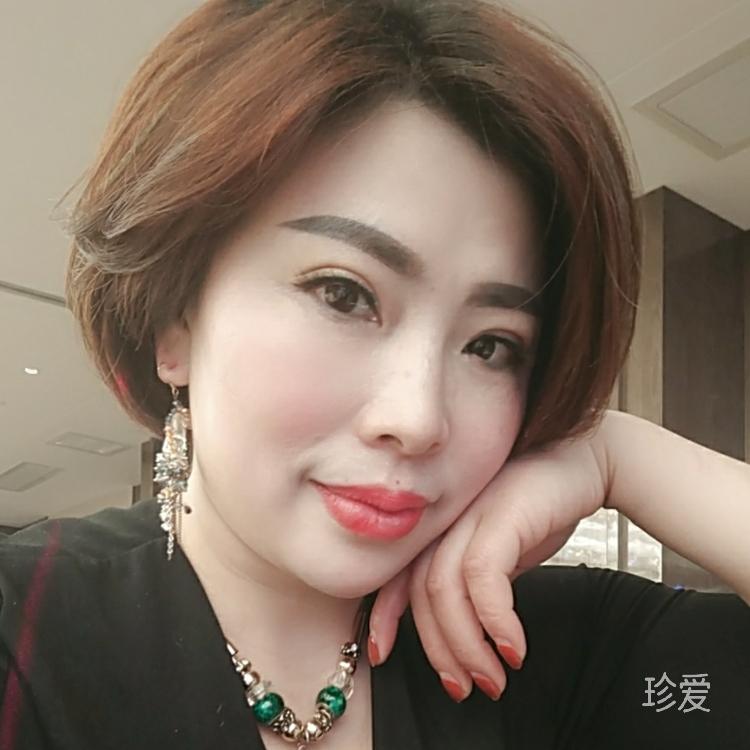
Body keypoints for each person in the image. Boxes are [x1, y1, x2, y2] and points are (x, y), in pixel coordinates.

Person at [1, 0, 748, 748]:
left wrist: (617, 455)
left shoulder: (533, 647)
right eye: (343, 294)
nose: (418, 418)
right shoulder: (29, 626)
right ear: (175, 321)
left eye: (491, 346)